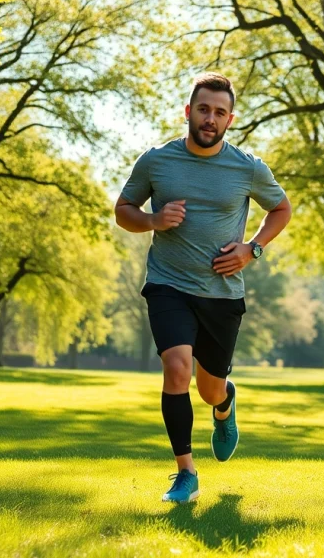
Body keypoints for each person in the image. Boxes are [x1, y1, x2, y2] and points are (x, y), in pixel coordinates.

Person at [115, 72, 291, 503]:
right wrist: (153, 220)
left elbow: (281, 209)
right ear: (188, 112)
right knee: (176, 369)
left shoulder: (247, 167)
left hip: (222, 293)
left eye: (219, 112)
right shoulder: (157, 161)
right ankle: (185, 473)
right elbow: (123, 209)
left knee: (209, 388)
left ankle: (224, 405)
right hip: (168, 284)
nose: (210, 118)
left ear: (230, 119)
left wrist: (252, 249)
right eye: (203, 109)